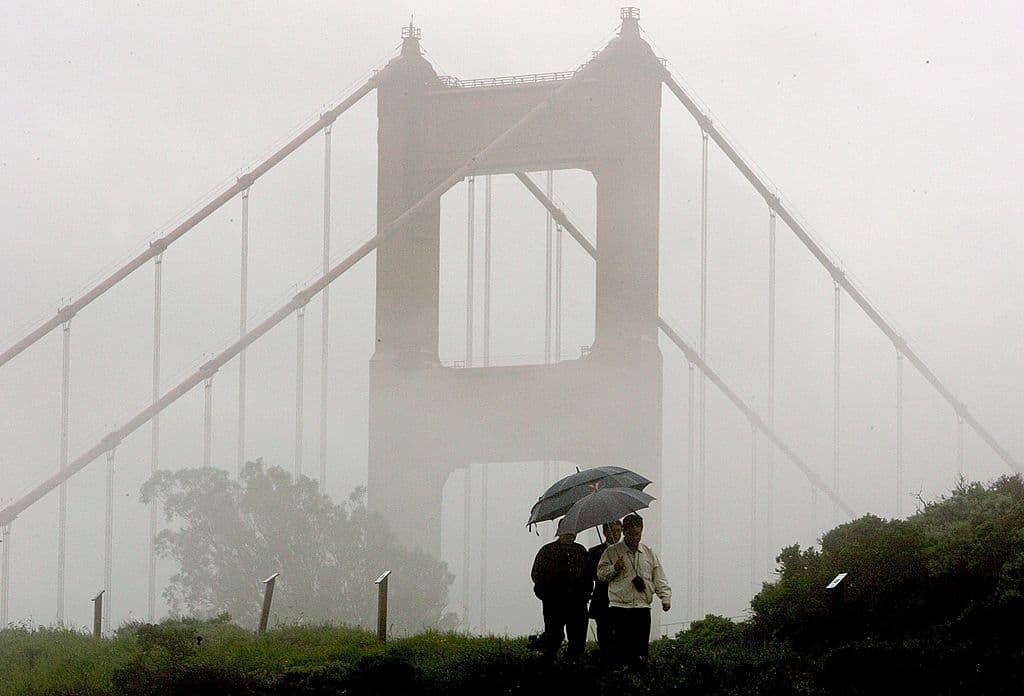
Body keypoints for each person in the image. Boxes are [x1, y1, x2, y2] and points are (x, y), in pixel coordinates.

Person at [597, 513, 671, 667]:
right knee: (620, 650)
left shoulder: (649, 553)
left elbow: (659, 577)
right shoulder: (611, 552)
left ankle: (638, 677)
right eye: (630, 534)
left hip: (642, 608)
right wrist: (614, 568)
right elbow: (601, 575)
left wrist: (665, 598)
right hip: (619, 607)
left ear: (642, 531)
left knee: (641, 651)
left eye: (637, 534)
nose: (634, 538)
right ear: (624, 532)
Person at [531, 531, 592, 660]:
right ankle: (550, 663)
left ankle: (576, 663)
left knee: (578, 637)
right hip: (554, 603)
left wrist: (586, 594)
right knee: (553, 636)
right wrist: (547, 595)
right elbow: (537, 575)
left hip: (578, 602)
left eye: (573, 533)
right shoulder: (547, 551)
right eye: (567, 533)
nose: (571, 536)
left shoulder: (580, 550)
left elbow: (588, 575)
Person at [586, 520, 623, 655]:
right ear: (605, 532)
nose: (615, 534)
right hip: (602, 599)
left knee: (621, 635)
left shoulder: (626, 550)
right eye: (612, 530)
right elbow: (591, 574)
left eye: (618, 531)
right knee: (604, 633)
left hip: (622, 599)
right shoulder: (595, 552)